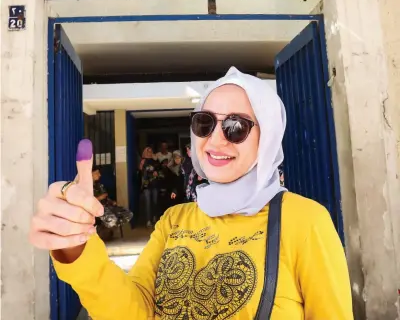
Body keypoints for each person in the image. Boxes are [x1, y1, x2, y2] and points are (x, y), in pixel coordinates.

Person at [29, 67, 353, 320]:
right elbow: (133, 310)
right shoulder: (175, 220)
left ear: (266, 138)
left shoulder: (305, 221)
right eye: (204, 123)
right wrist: (75, 247)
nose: (214, 141)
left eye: (236, 127)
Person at [92, 166, 133, 230]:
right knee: (112, 219)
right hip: (99, 209)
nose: (99, 175)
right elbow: (86, 202)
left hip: (108, 206)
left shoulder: (99, 185)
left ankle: (109, 227)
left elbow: (106, 197)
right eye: (97, 173)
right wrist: (99, 198)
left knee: (128, 214)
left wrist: (112, 201)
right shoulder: (87, 187)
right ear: (91, 174)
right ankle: (105, 229)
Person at [140, 147, 160, 228]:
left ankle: (154, 217)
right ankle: (148, 220)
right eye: (148, 151)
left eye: (151, 151)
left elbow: (160, 168)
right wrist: (151, 173)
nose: (149, 153)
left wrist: (157, 172)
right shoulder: (143, 161)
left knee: (155, 201)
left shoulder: (155, 160)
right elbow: (141, 172)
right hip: (146, 185)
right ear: (144, 152)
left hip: (155, 184)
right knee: (148, 203)